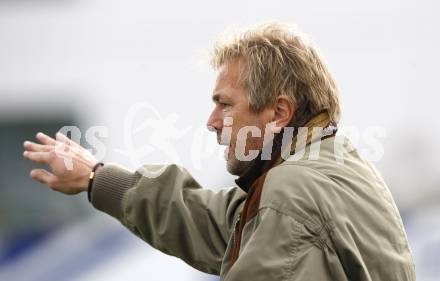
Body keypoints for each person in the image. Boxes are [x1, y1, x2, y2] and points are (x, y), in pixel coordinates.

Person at [22, 23, 416, 280]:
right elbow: (214, 224)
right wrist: (95, 178)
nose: (211, 122)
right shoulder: (327, 166)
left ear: (279, 112)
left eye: (225, 105)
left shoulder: (292, 190)